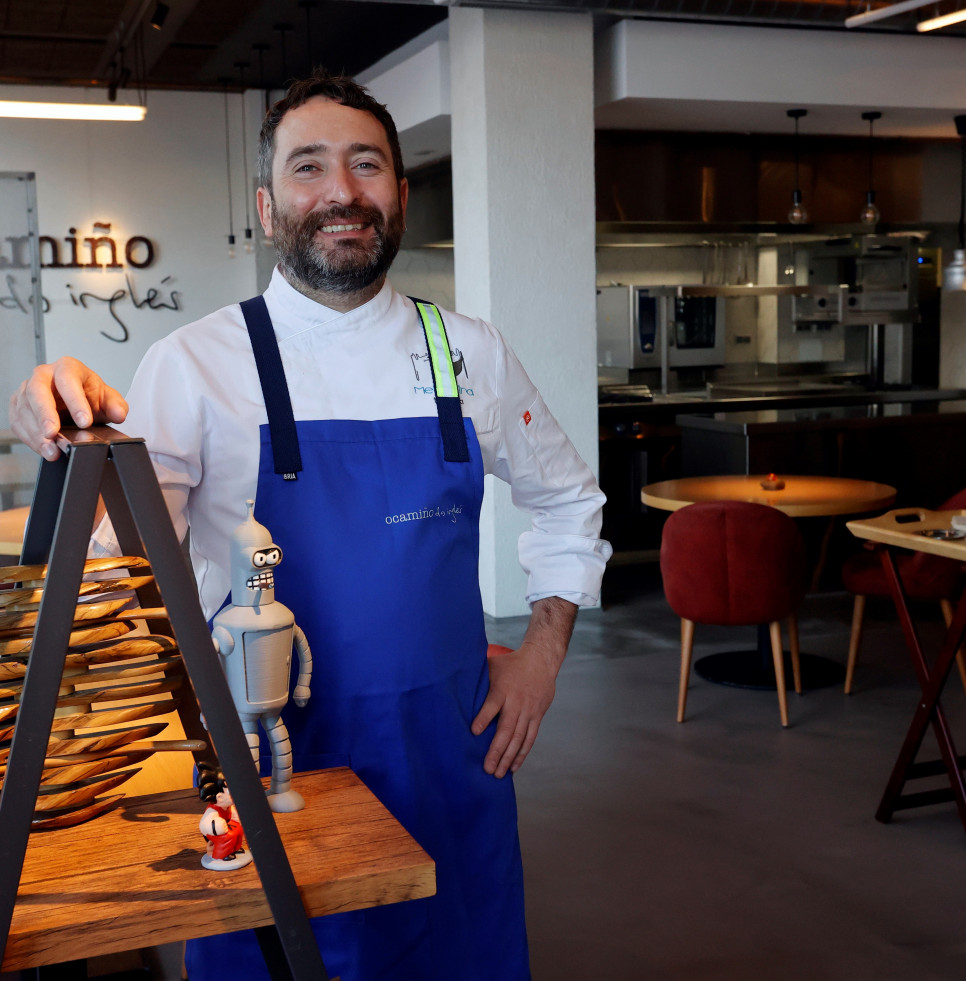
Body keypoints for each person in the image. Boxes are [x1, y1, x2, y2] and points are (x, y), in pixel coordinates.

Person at [9, 71, 610, 980]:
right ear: (265, 205)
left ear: (399, 196)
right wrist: (69, 430)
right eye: (309, 167)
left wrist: (542, 655)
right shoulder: (194, 362)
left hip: (450, 753)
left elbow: (568, 498)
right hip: (270, 759)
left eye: (366, 165)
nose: (342, 191)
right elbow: (113, 559)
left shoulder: (470, 352)